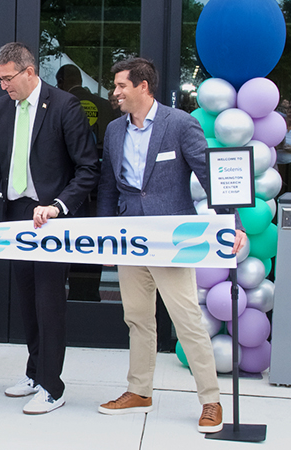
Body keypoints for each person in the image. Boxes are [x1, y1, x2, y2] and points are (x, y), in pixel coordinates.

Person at [96, 57, 246, 433]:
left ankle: (210, 400)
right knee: (137, 318)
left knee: (187, 321)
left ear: (143, 87)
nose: (115, 93)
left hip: (172, 241)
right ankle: (139, 391)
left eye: (120, 86)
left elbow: (209, 177)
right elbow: (108, 187)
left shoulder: (179, 124)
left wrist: (234, 224)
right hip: (130, 239)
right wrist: (103, 235)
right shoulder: (114, 130)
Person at [0, 42, 99, 415]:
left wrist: (58, 206)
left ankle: (53, 387)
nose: (3, 86)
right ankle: (36, 372)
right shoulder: (3, 108)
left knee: (49, 302)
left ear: (29, 72)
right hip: (17, 213)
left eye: (8, 79)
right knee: (26, 299)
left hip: (53, 216)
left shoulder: (64, 106)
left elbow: (88, 168)